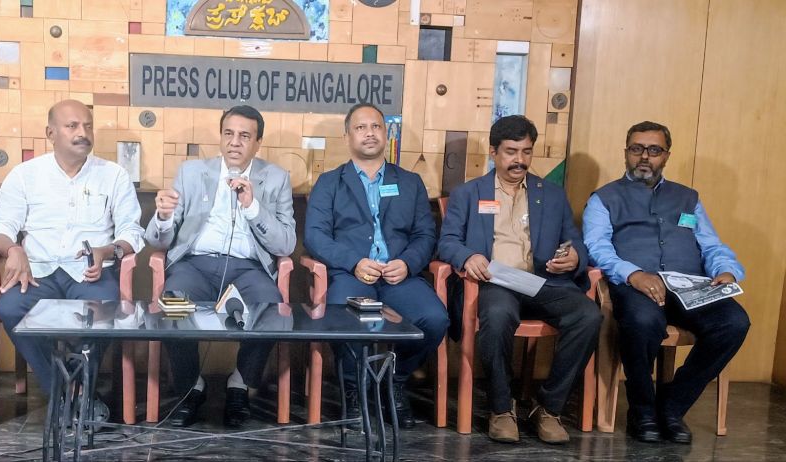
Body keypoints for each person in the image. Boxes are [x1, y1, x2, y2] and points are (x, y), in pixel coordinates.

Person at [583, 121, 749, 444]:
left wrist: (726, 270)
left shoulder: (688, 198)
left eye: (654, 150)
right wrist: (633, 274)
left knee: (734, 322)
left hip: (690, 287)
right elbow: (596, 247)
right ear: (626, 152)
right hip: (636, 286)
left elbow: (711, 245)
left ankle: (672, 406)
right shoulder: (604, 198)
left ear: (666, 156)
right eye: (637, 149)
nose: (644, 157)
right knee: (642, 321)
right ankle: (642, 410)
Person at [438, 115, 601, 443]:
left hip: (543, 282)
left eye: (526, 152)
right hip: (495, 281)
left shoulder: (551, 194)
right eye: (511, 152)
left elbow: (574, 240)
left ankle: (549, 407)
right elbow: (447, 241)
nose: (520, 160)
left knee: (588, 315)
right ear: (494, 152)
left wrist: (574, 258)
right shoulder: (469, 193)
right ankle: (501, 408)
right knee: (498, 314)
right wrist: (468, 257)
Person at [144, 105, 296, 428]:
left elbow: (286, 245)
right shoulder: (191, 173)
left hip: (249, 268)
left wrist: (253, 207)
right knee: (171, 305)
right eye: (229, 133)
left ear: (258, 142)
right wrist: (163, 217)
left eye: (244, 136)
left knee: (274, 311)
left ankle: (239, 383)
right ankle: (192, 386)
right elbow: (157, 239)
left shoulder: (276, 178)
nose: (234, 142)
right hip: (195, 265)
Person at [0, 100, 144, 396]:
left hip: (89, 274)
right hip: (36, 272)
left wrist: (107, 251)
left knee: (106, 309)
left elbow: (131, 231)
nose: (82, 133)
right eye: (72, 126)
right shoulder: (25, 175)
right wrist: (13, 250)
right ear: (51, 133)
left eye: (88, 126)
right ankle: (64, 391)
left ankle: (77, 389)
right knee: (11, 308)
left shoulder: (113, 175)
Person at [304, 103, 448, 429]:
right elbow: (315, 236)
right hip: (351, 275)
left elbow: (425, 234)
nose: (369, 133)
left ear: (386, 134)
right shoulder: (330, 183)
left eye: (376, 127)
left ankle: (395, 380)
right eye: (360, 127)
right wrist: (353, 262)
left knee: (435, 319)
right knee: (344, 316)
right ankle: (354, 389)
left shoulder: (409, 182)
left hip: (400, 278)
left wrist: (407, 263)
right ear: (347, 137)